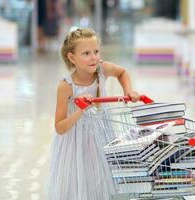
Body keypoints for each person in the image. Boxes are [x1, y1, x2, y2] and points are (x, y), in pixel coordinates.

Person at [47, 28, 140, 200]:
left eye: (96, 51)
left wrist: (129, 91)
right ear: (72, 58)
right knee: (78, 181)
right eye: (86, 53)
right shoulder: (66, 86)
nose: (94, 57)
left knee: (102, 178)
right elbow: (59, 127)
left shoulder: (102, 70)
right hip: (74, 142)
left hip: (103, 134)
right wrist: (81, 110)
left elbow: (122, 73)